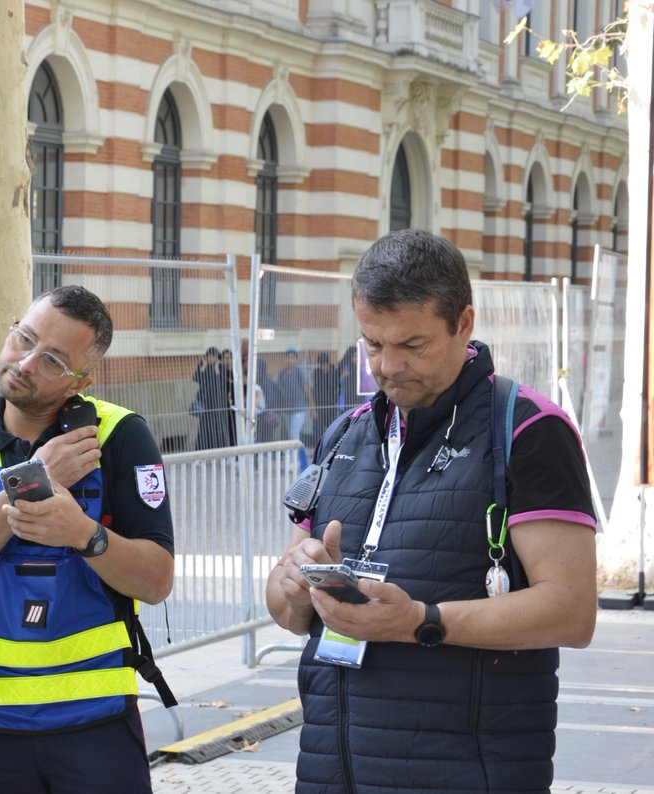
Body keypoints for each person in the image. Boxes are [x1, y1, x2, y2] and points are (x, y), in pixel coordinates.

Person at [265, 230, 598, 793]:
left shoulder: (528, 430)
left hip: (466, 772)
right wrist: (295, 584)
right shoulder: (344, 434)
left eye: (412, 345)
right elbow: (286, 610)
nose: (387, 367)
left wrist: (421, 622)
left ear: (463, 325)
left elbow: (571, 611)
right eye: (372, 344)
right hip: (330, 769)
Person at [0, 285, 175, 794]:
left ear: (82, 380)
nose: (26, 362)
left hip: (96, 723)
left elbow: (157, 579)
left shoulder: (120, 436)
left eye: (52, 359)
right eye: (23, 338)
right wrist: (33, 481)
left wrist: (83, 534)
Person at [276, 347, 314, 469]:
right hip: (287, 409)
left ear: (296, 359)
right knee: (290, 434)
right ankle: (295, 458)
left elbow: (307, 389)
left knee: (294, 433)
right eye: (288, 357)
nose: (290, 359)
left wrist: (312, 407)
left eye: (293, 357)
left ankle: (293, 461)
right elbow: (280, 391)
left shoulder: (299, 372)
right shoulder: (281, 373)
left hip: (300, 408)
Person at [192, 346, 232, 449]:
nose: (210, 358)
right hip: (207, 404)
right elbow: (196, 379)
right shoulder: (204, 366)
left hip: (219, 403)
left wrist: (217, 371)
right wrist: (202, 368)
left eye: (212, 356)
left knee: (221, 428)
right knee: (204, 430)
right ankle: (201, 452)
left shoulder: (221, 367)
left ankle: (225, 452)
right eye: (208, 356)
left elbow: (221, 384)